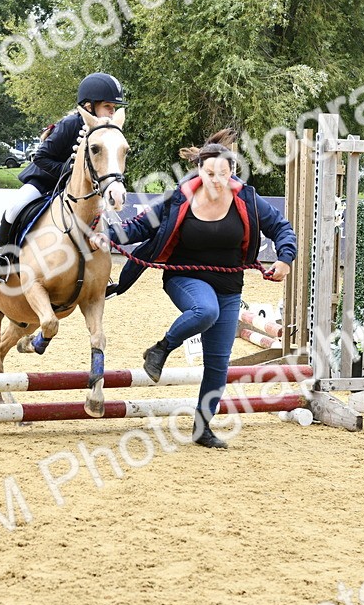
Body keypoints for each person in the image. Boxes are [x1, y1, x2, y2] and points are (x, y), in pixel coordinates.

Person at [103, 135, 297, 449]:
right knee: (205, 311)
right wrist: (104, 233)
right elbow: (138, 227)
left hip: (229, 287)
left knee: (218, 365)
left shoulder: (247, 199)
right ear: (199, 172)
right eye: (210, 174)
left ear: (233, 172)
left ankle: (202, 428)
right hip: (184, 278)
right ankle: (162, 348)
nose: (217, 180)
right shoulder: (179, 198)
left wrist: (285, 258)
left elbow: (281, 227)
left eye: (224, 174)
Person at [0, 73, 127, 283]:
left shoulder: (107, 134)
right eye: (107, 106)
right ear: (89, 106)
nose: (112, 112)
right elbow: (40, 157)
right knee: (14, 208)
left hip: (76, 190)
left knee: (102, 218)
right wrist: (68, 171)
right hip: (45, 182)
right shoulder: (70, 124)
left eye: (114, 108)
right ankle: (2, 257)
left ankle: (98, 276)